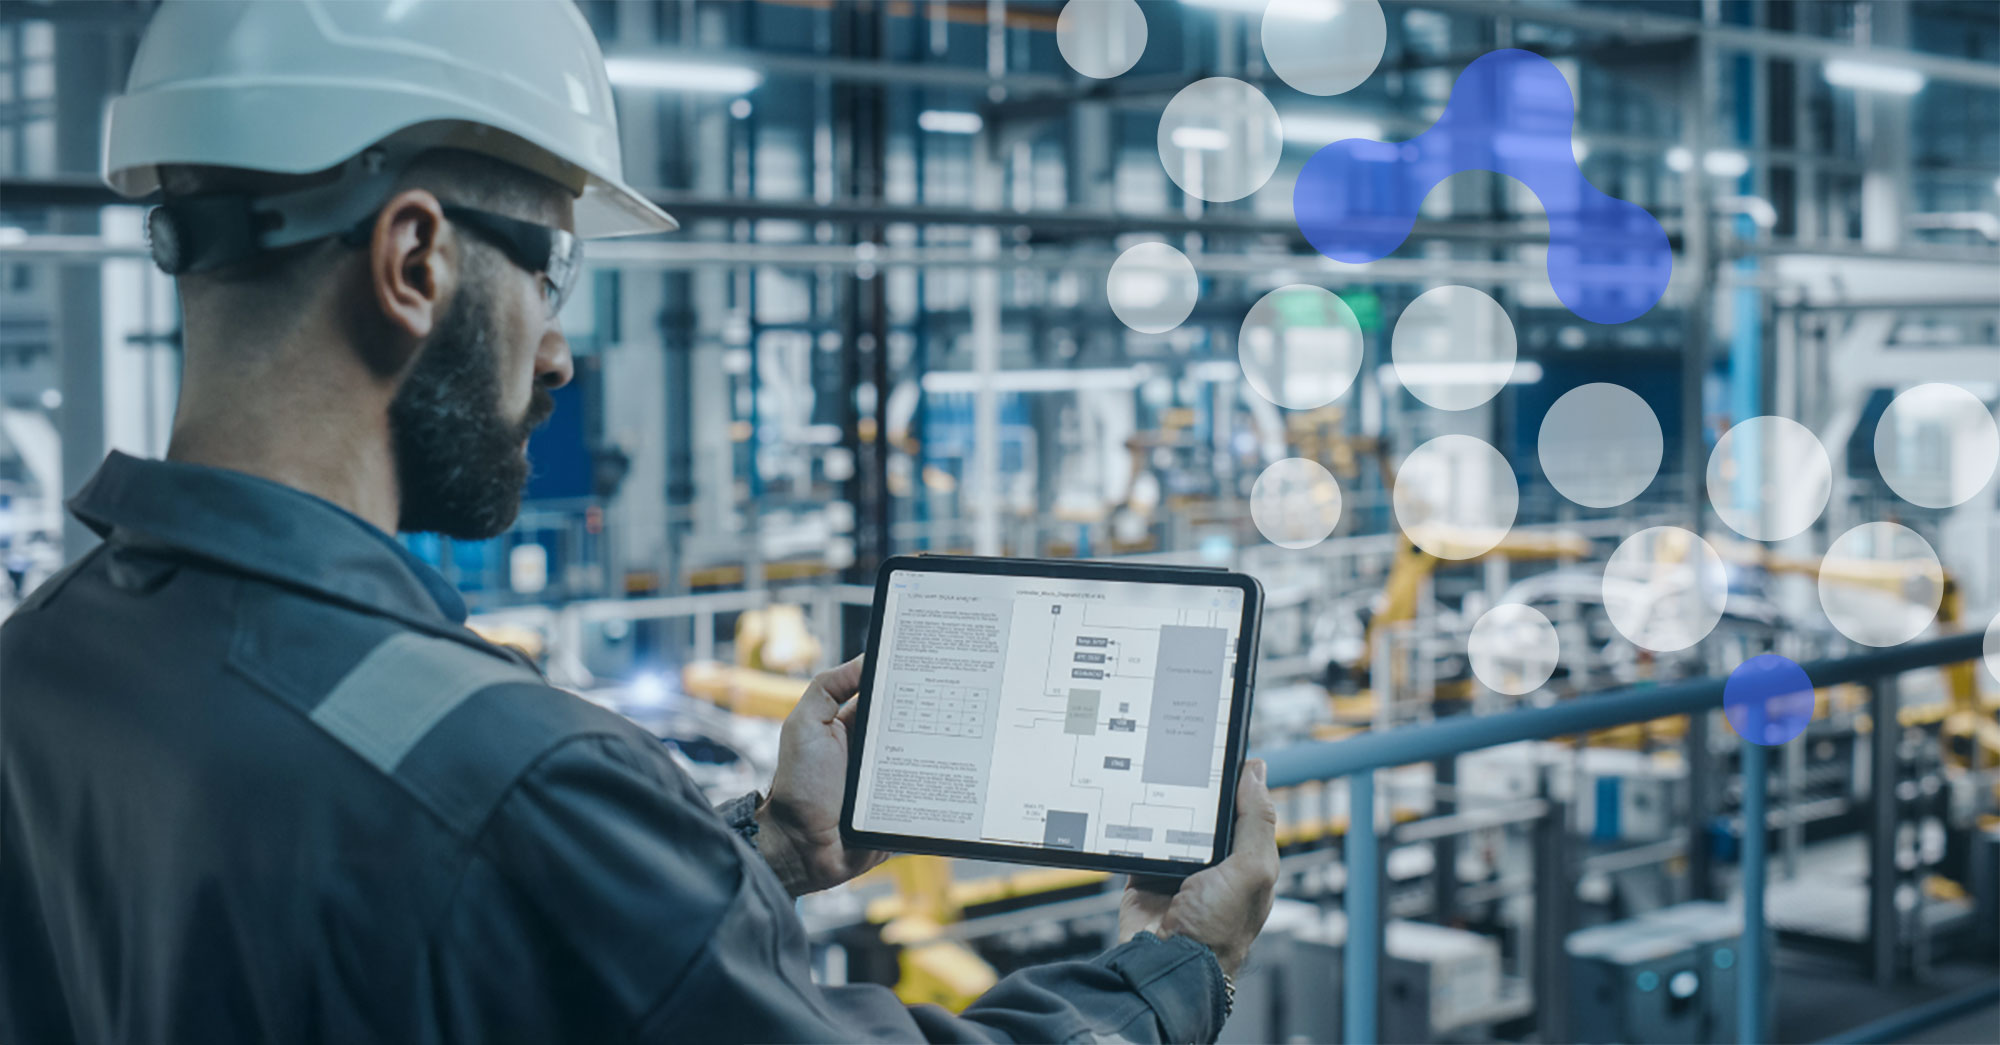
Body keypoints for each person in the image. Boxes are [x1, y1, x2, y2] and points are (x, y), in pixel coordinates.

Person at [0, 3, 1279, 1042]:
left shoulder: (46, 666)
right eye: (547, 272)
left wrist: (763, 849)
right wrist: (1175, 967)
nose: (554, 355)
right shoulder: (513, 772)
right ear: (412, 263)